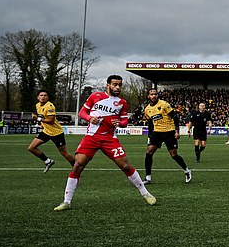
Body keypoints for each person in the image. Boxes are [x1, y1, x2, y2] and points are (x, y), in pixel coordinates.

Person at [53, 75, 156, 211]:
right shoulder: (95, 96)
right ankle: (66, 201)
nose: (117, 87)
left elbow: (125, 122)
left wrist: (119, 123)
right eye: (115, 84)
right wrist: (90, 118)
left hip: (110, 139)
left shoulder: (122, 102)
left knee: (125, 166)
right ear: (108, 85)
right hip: (91, 137)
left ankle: (145, 194)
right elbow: (82, 112)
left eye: (119, 84)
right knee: (77, 165)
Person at [142, 88, 192, 184]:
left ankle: (187, 170)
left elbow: (175, 117)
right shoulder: (147, 109)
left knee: (174, 155)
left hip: (169, 132)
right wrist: (149, 135)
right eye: (151, 94)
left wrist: (177, 131)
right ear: (148, 96)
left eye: (155, 94)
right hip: (157, 133)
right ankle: (148, 178)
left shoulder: (164, 104)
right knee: (149, 152)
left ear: (157, 95)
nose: (153, 96)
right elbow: (150, 124)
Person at [28, 89, 75, 172]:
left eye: (45, 95)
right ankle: (48, 161)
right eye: (41, 95)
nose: (43, 97)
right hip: (46, 132)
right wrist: (42, 124)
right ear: (38, 97)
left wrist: (37, 119)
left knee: (64, 152)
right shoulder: (38, 105)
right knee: (31, 148)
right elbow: (43, 117)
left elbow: (51, 120)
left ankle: (76, 167)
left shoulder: (50, 106)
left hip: (56, 133)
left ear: (48, 97)